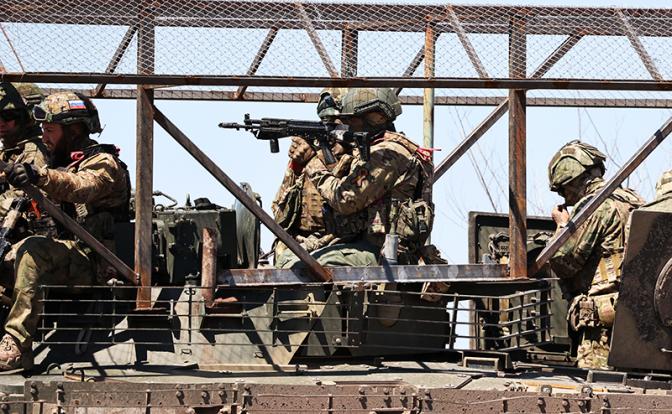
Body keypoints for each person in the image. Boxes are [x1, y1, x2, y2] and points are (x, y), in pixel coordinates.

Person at [0, 91, 131, 371]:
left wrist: (38, 176)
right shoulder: (54, 162)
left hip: (96, 263)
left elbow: (81, 187)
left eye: (50, 130)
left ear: (73, 130)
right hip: (63, 257)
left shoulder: (104, 163)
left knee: (32, 251)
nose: (44, 137)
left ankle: (17, 345)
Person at [275, 87, 434, 269]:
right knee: (289, 260)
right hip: (365, 244)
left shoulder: (387, 154)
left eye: (350, 119)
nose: (345, 125)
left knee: (312, 265)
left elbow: (344, 199)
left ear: (374, 118)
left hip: (387, 252)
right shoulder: (374, 149)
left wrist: (312, 163)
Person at [547, 140, 644, 370]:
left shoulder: (596, 206)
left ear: (573, 178)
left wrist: (562, 226)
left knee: (599, 388)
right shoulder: (633, 201)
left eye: (563, 189)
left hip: (601, 327)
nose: (564, 197)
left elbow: (564, 262)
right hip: (638, 322)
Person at [272, 88, 349, 261]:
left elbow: (345, 198)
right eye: (326, 121)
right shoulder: (309, 155)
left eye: (337, 122)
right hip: (302, 240)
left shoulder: (359, 154)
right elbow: (279, 214)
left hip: (339, 241)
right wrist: (297, 165)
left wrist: (315, 160)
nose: (331, 128)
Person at [0, 82, 49, 216]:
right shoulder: (9, 151)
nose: (1, 122)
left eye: (9, 115)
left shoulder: (35, 149)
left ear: (27, 116)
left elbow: (24, 196)